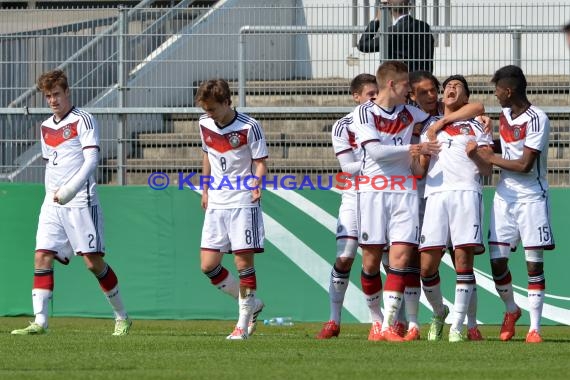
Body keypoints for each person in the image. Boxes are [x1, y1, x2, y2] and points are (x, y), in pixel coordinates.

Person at [11, 69, 131, 336]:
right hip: (52, 203)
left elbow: (91, 160)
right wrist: (55, 194)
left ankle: (121, 315)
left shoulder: (83, 120)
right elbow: (51, 163)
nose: (53, 100)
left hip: (80, 200)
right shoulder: (45, 127)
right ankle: (40, 322)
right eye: (48, 96)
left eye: (56, 94)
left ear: (67, 92)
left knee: (93, 262)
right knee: (42, 256)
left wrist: (69, 189)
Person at [352, 61, 439, 342]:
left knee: (400, 257)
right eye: (406, 86)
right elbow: (376, 152)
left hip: (404, 191)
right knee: (370, 260)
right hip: (373, 191)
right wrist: (414, 148)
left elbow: (436, 124)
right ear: (391, 85)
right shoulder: (364, 112)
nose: (410, 92)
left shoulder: (410, 112)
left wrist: (475, 117)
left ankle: (390, 325)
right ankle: (376, 321)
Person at [474, 65, 555, 343]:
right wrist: (487, 141)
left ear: (509, 91)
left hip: (531, 196)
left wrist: (488, 157)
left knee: (534, 264)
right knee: (497, 262)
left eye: (497, 90)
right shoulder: (505, 114)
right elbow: (506, 147)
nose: (495, 95)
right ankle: (511, 309)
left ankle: (535, 328)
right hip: (504, 195)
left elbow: (523, 164)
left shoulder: (538, 119)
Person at [409, 70, 487, 340]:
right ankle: (440, 311)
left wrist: (475, 154)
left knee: (464, 262)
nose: (451, 88)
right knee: (427, 267)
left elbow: (487, 168)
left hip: (466, 193)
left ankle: (458, 326)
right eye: (448, 86)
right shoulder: (427, 123)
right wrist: (422, 154)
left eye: (457, 86)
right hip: (436, 196)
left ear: (465, 95)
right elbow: (419, 172)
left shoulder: (478, 124)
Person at [197, 79, 267, 340]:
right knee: (208, 265)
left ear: (227, 102)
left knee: (242, 263)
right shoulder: (204, 124)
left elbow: (260, 162)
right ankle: (253, 303)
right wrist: (205, 189)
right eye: (205, 109)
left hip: (242, 200)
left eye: (212, 109)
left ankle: (242, 324)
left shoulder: (250, 126)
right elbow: (206, 156)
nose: (208, 114)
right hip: (217, 201)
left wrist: (257, 183)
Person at [358, 0, 434, 73]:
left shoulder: (392, 32)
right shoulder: (424, 26)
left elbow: (363, 45)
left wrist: (377, 20)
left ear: (389, 8)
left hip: (401, 79)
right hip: (423, 76)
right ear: (410, 6)